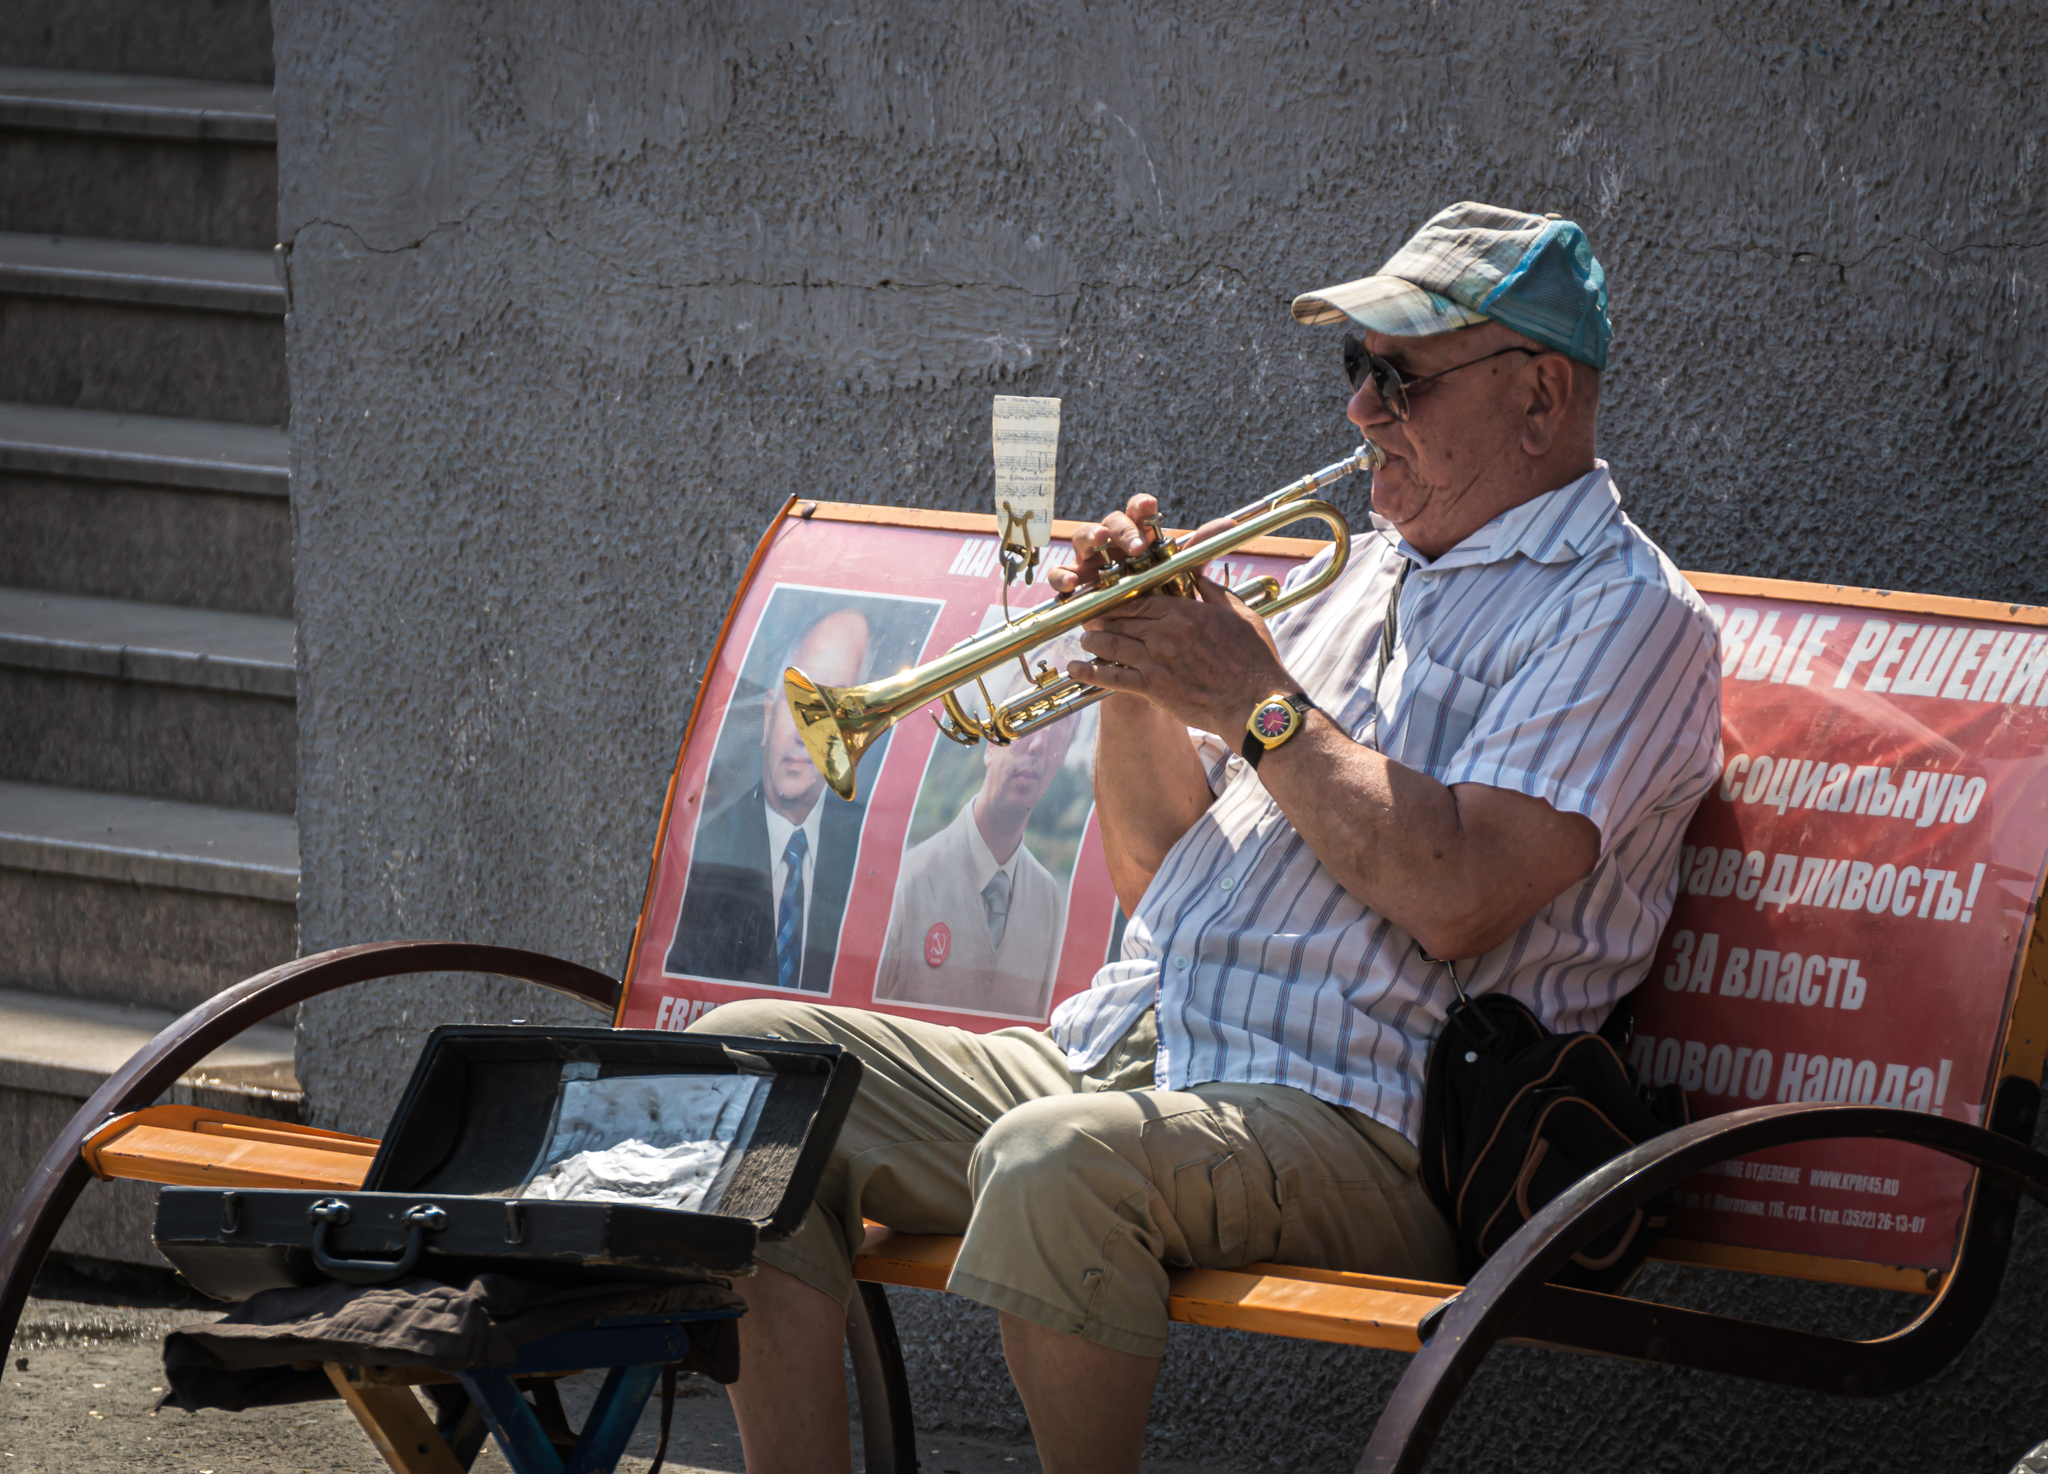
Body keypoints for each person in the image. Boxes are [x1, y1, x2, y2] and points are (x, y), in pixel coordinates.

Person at [690, 201, 1724, 1474]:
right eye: (1354, 370)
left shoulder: (1621, 614)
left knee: (1053, 1163)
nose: (1358, 412)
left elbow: (1456, 895)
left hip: (1369, 1119)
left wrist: (1254, 700)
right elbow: (1154, 875)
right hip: (1145, 1051)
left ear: (1539, 397)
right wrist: (1133, 662)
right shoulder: (1372, 574)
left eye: (1396, 376)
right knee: (746, 1069)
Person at [664, 607, 872, 992]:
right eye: (797, 705)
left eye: (826, 712)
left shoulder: (872, 852)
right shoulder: (706, 850)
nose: (802, 734)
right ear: (767, 714)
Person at [873, 695, 1077, 1017]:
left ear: (1061, 758)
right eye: (1026, 721)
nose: (1039, 744)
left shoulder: (1049, 899)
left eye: (1056, 733)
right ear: (990, 747)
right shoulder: (909, 878)